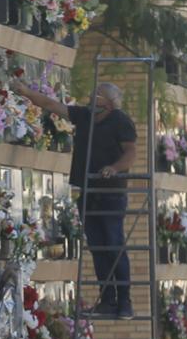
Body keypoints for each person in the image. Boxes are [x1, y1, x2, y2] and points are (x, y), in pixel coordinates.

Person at [22, 80, 140, 318]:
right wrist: (24, 91)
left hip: (111, 193)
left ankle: (124, 300)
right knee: (97, 246)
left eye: (97, 95)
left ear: (108, 102)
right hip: (89, 190)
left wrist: (115, 168)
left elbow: (131, 152)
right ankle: (107, 299)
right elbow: (51, 105)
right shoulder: (85, 116)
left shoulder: (120, 121)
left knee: (113, 244)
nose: (91, 97)